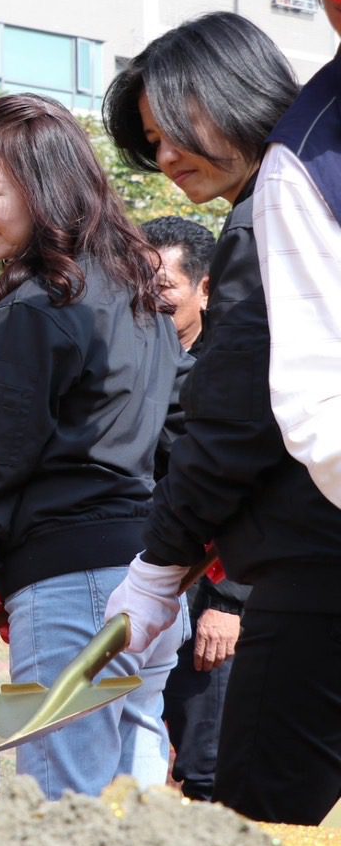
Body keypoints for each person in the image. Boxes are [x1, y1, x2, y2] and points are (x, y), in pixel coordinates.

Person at [113, 0, 341, 822]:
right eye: (151, 145)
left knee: (260, 827)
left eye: (178, 131)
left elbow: (243, 417)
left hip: (319, 572)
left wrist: (160, 565)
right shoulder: (292, 177)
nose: (166, 161)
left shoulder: (288, 189)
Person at [0, 93, 186, 801]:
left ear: (46, 188)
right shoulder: (137, 293)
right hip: (147, 583)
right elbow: (178, 437)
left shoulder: (34, 309)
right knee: (134, 803)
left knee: (65, 806)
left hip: (74, 587)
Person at [138, 213, 248, 803]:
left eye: (164, 288)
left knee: (207, 769)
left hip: (212, 593)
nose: (150, 301)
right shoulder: (125, 360)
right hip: (140, 583)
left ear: (204, 289)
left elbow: (253, 493)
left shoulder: (236, 367)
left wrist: (229, 604)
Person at [141, 217, 214, 353]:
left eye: (162, 286)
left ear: (206, 291)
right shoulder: (109, 353)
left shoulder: (227, 359)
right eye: (135, 284)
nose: (144, 296)